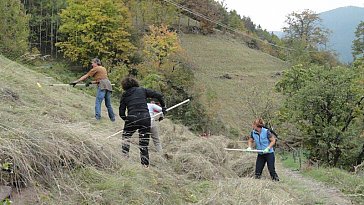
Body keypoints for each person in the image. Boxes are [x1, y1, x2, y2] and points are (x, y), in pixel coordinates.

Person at [119, 77, 166, 168]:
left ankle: (125, 160)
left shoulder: (125, 95)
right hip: (145, 118)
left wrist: (128, 121)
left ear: (124, 86)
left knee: (125, 138)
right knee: (143, 143)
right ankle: (145, 167)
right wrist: (163, 107)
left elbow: (121, 113)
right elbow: (159, 95)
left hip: (132, 118)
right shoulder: (142, 90)